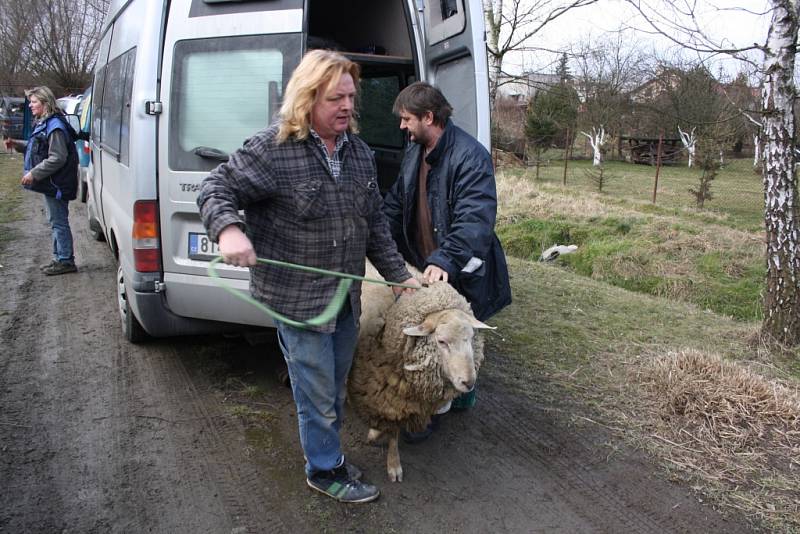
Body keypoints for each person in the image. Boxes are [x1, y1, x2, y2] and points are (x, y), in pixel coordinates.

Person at [197, 50, 419, 504]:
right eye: (335, 98)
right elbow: (215, 187)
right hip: (296, 301)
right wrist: (229, 230)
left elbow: (373, 223)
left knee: (334, 386)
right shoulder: (271, 149)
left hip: (345, 298)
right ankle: (323, 469)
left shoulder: (359, 153)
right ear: (307, 97)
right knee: (316, 392)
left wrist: (398, 276)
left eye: (351, 97)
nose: (347, 107)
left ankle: (328, 453)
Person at [383, 81, 512, 441]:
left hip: (459, 267)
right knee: (433, 340)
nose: (402, 126)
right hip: (426, 263)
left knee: (456, 337)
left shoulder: (470, 156)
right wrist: (373, 234)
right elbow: (396, 202)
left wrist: (446, 258)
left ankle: (448, 401)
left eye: (407, 119)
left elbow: (475, 219)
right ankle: (436, 401)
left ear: (429, 117)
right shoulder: (416, 152)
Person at [5, 86, 80, 275]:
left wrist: (34, 174)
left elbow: (57, 157)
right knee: (55, 221)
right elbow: (37, 148)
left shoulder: (55, 127)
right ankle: (59, 258)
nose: (30, 106)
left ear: (45, 103)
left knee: (58, 222)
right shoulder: (45, 123)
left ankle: (65, 260)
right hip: (52, 183)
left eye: (34, 102)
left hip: (57, 183)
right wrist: (17, 145)